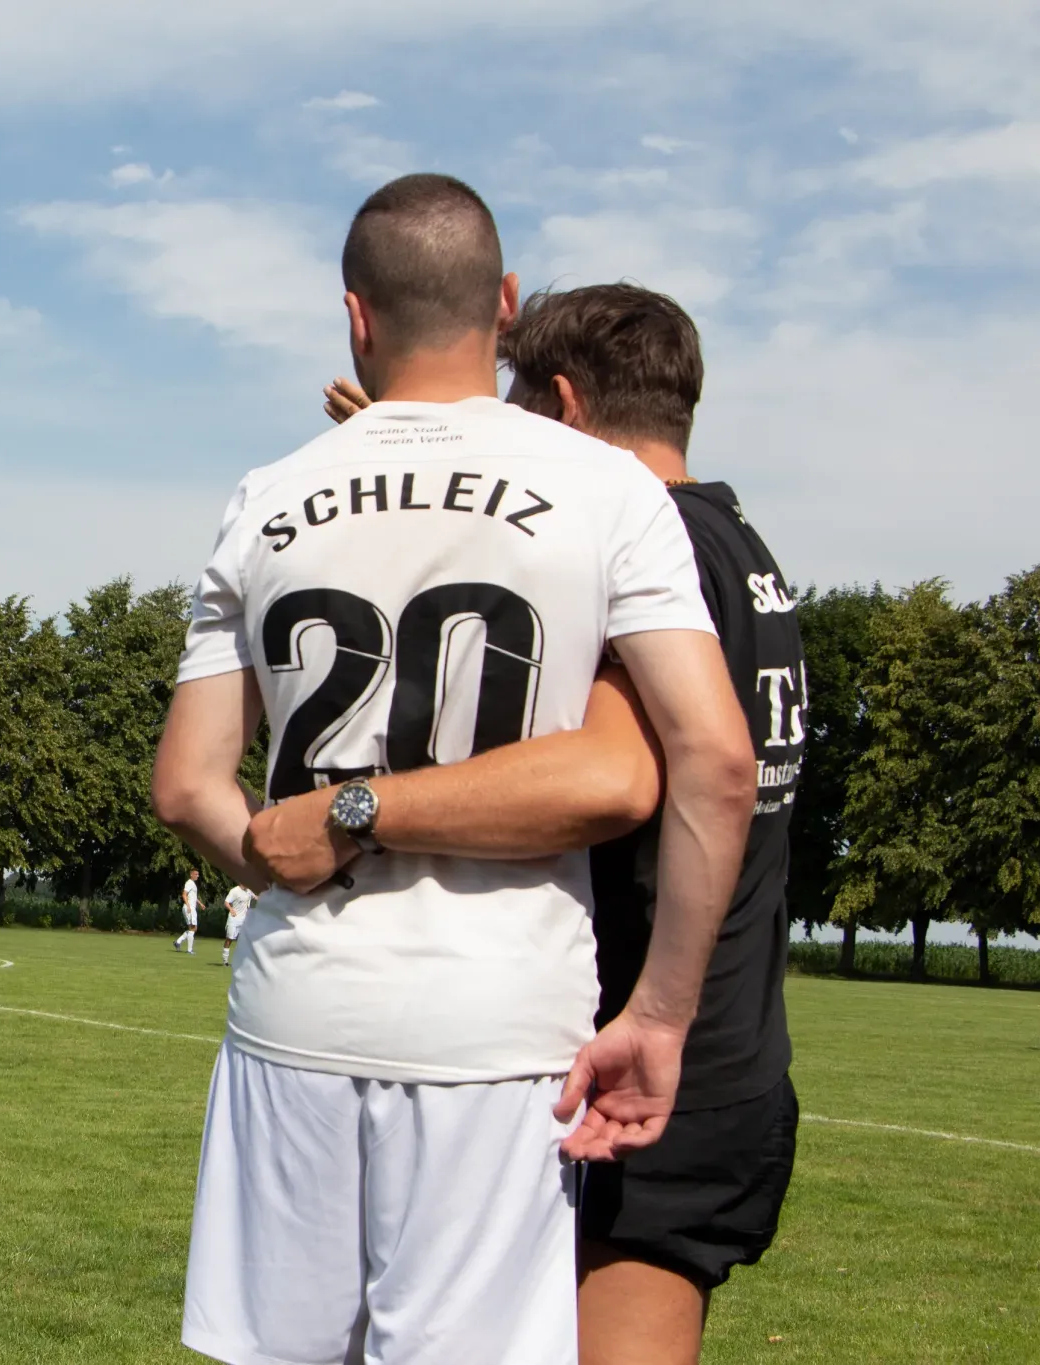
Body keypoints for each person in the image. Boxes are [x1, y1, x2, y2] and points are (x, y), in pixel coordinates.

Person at [150, 174, 756, 1365]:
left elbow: (186, 786)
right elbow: (714, 761)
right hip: (499, 1025)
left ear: (354, 316)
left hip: (295, 1010)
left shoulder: (264, 496)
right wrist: (659, 1013)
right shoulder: (608, 490)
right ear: (505, 303)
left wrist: (288, 853)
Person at [313, 283, 806, 1364]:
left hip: (638, 1072)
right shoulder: (733, 543)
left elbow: (609, 774)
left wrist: (353, 811)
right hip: (728, 1054)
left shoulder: (658, 549)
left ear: (567, 407)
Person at [220, 882, 254, 966]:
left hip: (243, 920)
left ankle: (241, 961)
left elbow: (256, 897)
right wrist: (231, 909)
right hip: (234, 919)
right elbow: (226, 902)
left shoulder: (249, 891)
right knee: (229, 939)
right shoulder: (234, 891)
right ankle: (225, 961)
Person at [173, 868, 201, 954]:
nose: (197, 876)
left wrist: (200, 903)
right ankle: (189, 950)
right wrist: (188, 905)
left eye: (198, 874)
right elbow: (184, 894)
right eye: (196, 874)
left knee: (193, 928)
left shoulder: (193, 884)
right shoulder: (189, 883)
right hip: (189, 908)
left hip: (192, 907)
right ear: (191, 874)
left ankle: (178, 942)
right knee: (192, 928)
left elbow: (193, 897)